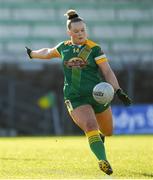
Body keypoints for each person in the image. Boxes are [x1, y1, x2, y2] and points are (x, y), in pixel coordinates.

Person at [25, 9, 131, 175]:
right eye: (76, 31)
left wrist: (118, 91)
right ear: (69, 32)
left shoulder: (94, 49)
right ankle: (103, 161)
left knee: (108, 132)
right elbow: (48, 52)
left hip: (98, 96)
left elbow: (107, 71)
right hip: (75, 97)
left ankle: (99, 138)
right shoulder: (64, 48)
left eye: (83, 30)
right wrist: (32, 54)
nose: (80, 34)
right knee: (90, 126)